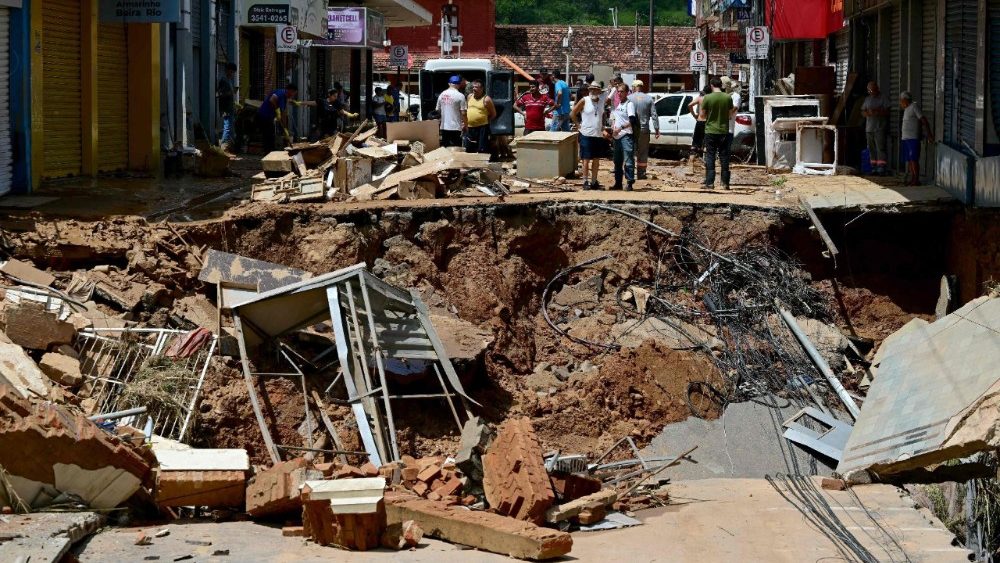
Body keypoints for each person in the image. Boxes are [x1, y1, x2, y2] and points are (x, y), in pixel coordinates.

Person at [570, 81, 613, 190]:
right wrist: (578, 125)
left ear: (599, 91)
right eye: (591, 89)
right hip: (586, 134)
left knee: (596, 159)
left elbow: (602, 115)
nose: (593, 91)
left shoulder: (601, 102)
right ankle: (585, 181)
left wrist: (602, 126)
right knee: (586, 159)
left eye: (596, 89)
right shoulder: (585, 100)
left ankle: (594, 181)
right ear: (589, 90)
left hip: (598, 134)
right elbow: (573, 113)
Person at [699, 78, 735, 190]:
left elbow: (702, 115)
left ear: (711, 85)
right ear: (721, 85)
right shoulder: (727, 97)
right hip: (724, 131)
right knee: (724, 157)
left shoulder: (707, 98)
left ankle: (709, 183)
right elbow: (729, 115)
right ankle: (725, 183)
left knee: (710, 156)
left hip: (710, 131)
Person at [627, 79, 659, 180]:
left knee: (630, 151)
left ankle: (629, 173)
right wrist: (657, 129)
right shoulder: (649, 99)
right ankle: (641, 173)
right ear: (641, 87)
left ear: (633, 87)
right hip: (644, 129)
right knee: (643, 151)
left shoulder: (628, 98)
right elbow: (654, 115)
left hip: (630, 129)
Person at [610, 83, 639, 191]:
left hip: (626, 135)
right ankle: (618, 183)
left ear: (627, 92)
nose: (619, 93)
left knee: (628, 161)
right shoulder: (619, 105)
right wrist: (613, 126)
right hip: (617, 137)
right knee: (617, 161)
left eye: (622, 91)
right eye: (618, 91)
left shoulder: (629, 104)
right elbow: (615, 118)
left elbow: (632, 120)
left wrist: (620, 128)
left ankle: (629, 182)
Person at [899, 91, 932, 186]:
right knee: (909, 160)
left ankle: (916, 179)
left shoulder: (914, 107)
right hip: (906, 138)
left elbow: (924, 120)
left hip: (913, 138)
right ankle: (913, 178)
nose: (900, 102)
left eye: (901, 100)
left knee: (914, 159)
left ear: (905, 99)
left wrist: (929, 134)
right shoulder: (906, 109)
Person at [256, 83, 298, 152]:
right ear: (290, 91)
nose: (293, 95)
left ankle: (270, 151)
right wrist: (277, 110)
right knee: (269, 135)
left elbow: (283, 112)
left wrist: (285, 128)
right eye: (294, 93)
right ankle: (269, 153)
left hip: (268, 117)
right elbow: (272, 99)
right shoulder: (281, 93)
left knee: (270, 135)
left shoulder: (284, 97)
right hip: (264, 115)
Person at [862, 81, 890, 175]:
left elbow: (888, 111)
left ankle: (881, 168)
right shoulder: (867, 99)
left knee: (880, 148)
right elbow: (863, 112)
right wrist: (867, 113)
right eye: (870, 90)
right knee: (871, 149)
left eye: (873, 90)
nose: (871, 92)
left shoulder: (883, 98)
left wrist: (878, 111)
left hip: (879, 128)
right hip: (869, 128)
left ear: (877, 89)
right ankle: (873, 168)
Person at [465, 80, 496, 154]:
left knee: (482, 149)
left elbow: (493, 114)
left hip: (482, 128)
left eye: (476, 87)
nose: (474, 89)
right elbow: (467, 110)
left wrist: (485, 121)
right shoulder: (469, 97)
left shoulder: (487, 99)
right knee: (469, 148)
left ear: (482, 89)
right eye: (473, 87)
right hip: (470, 127)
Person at [436, 75, 467, 148]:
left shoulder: (442, 95)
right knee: (456, 148)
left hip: (444, 126)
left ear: (449, 84)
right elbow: (463, 113)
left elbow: (438, 110)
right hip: (456, 127)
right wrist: (466, 125)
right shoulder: (460, 96)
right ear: (458, 85)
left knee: (445, 148)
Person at [688, 85, 712, 158]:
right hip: (708, 122)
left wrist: (694, 115)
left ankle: (692, 160)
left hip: (700, 121)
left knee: (695, 143)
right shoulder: (711, 99)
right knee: (706, 143)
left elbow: (689, 105)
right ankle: (706, 161)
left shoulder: (700, 98)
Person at [217, 63, 238, 146]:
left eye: (234, 72)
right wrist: (230, 93)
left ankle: (227, 144)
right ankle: (224, 145)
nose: (233, 74)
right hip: (225, 107)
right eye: (232, 72)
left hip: (229, 107)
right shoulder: (224, 80)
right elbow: (220, 94)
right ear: (228, 70)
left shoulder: (229, 81)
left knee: (230, 126)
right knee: (227, 127)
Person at [722, 77, 742, 152]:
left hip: (728, 128)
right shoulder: (721, 95)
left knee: (725, 149)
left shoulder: (735, 96)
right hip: (718, 128)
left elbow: (734, 108)